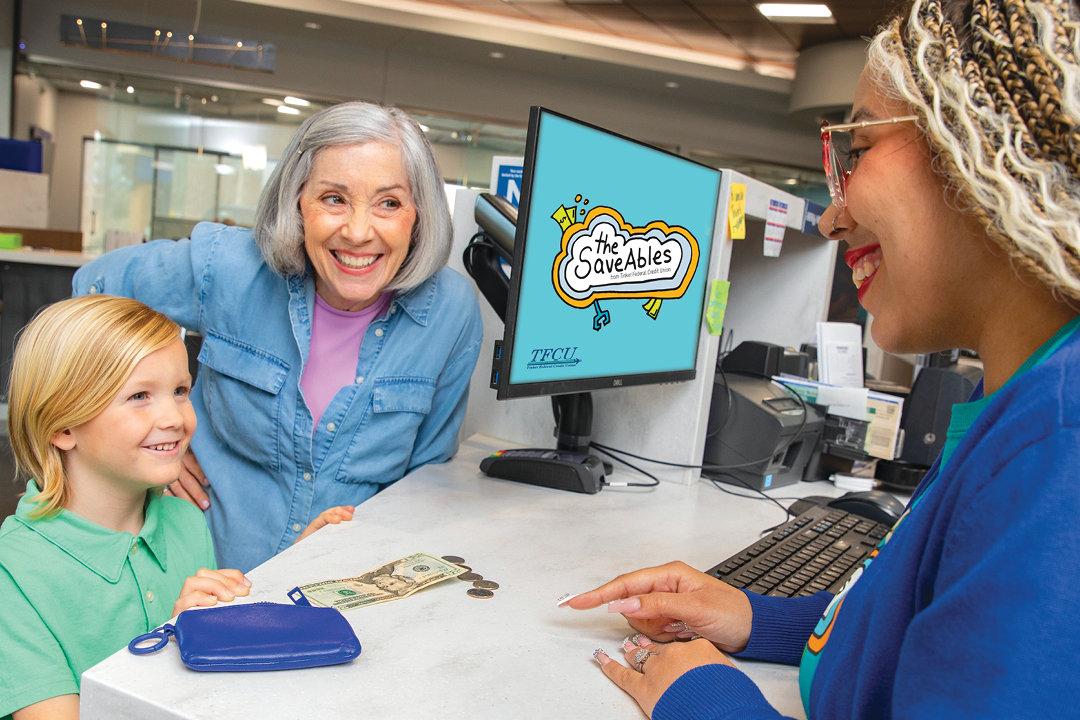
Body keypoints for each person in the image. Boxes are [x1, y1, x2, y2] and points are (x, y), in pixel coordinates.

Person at [564, 0, 1080, 717]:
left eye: (857, 151)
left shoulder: (1061, 444)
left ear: (983, 146)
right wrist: (760, 619)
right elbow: (941, 619)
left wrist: (705, 699)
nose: (832, 218)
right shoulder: (1033, 398)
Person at [73, 102, 484, 572]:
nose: (357, 231)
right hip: (196, 576)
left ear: (419, 216)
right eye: (334, 198)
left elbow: (425, 483)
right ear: (297, 201)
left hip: (340, 590)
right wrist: (153, 445)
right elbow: (91, 290)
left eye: (388, 203)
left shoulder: (450, 313)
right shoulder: (228, 268)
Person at [0, 296, 351, 720]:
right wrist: (176, 640)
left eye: (181, 390)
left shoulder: (185, 521)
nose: (174, 417)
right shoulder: (13, 573)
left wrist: (295, 567)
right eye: (140, 396)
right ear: (62, 426)